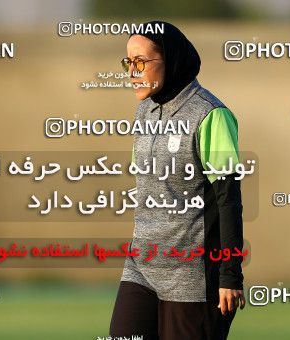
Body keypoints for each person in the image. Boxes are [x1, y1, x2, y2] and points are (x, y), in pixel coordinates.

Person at [109, 21, 246, 340]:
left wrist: (229, 275)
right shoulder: (144, 110)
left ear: (170, 60)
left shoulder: (211, 115)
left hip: (192, 278)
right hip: (141, 267)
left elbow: (229, 201)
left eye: (141, 61)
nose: (132, 70)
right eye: (128, 62)